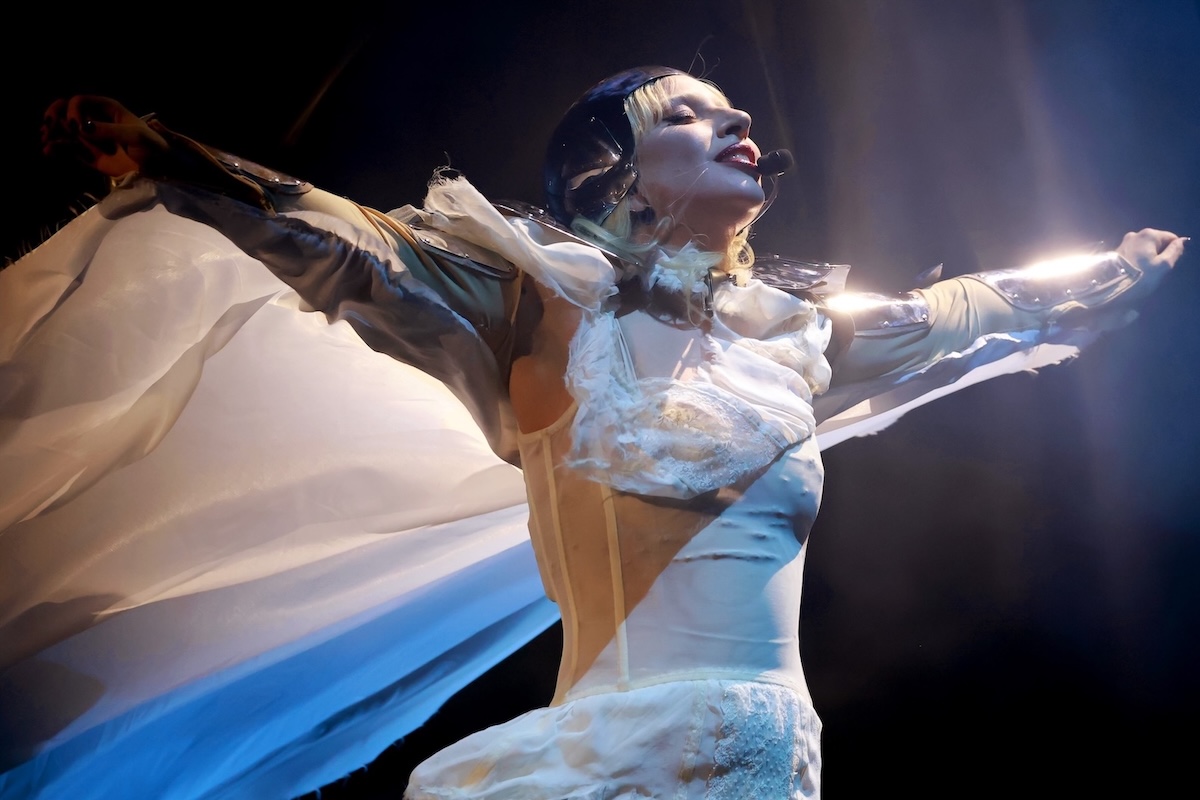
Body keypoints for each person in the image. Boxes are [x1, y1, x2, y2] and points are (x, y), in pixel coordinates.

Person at [0, 67, 1183, 799]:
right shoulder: (543, 306)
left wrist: (1105, 275)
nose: (737, 117)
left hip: (773, 761)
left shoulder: (794, 334)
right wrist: (178, 158)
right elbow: (353, 246)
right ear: (614, 166)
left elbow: (962, 310)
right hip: (614, 762)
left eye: (731, 108)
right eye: (690, 110)